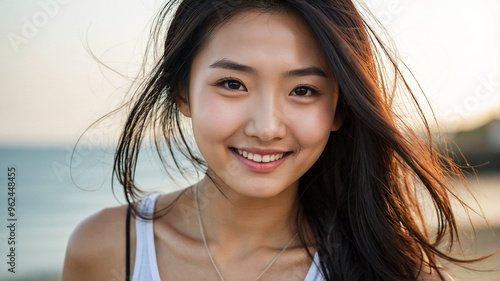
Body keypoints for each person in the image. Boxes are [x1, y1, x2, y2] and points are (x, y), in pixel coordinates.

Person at [62, 0, 482, 280]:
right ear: (183, 93)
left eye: (303, 91)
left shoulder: (395, 271)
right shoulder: (107, 250)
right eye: (232, 83)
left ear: (338, 109)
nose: (266, 127)